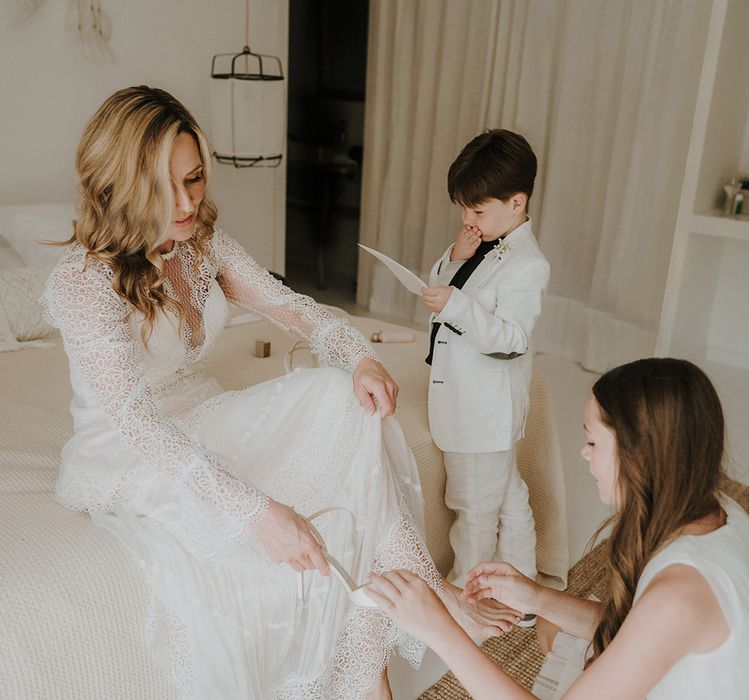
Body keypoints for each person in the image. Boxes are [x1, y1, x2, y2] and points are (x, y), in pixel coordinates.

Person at [41, 86, 518, 700]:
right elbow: (138, 422)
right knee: (317, 517)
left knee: (340, 399)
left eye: (194, 179)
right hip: (130, 449)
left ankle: (417, 610)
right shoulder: (81, 283)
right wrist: (260, 513)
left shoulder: (200, 243)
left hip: (200, 412)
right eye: (169, 187)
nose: (189, 203)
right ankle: (430, 601)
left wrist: (361, 358)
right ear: (121, 185)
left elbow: (294, 309)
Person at [366, 358, 749, 699]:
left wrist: (440, 630)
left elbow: (661, 615)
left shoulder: (679, 594)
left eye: (593, 442)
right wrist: (537, 598)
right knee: (553, 626)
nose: (583, 453)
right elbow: (636, 626)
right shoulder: (720, 513)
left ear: (638, 457)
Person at [421, 129, 550, 592]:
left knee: (473, 507)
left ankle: (468, 593)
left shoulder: (528, 264)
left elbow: (511, 338)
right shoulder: (483, 243)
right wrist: (458, 256)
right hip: (469, 401)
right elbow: (448, 284)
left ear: (516, 203)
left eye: (478, 209)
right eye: (463, 208)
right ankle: (522, 587)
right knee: (508, 496)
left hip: (481, 410)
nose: (467, 218)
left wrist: (455, 305)